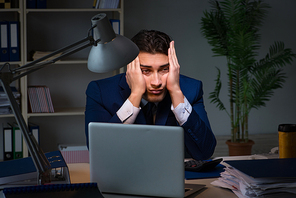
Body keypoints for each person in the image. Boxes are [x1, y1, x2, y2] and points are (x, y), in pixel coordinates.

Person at [85, 30, 216, 160]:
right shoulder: (100, 91)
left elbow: (205, 152)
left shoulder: (191, 89)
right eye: (145, 71)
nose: (156, 82)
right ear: (131, 69)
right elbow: (100, 153)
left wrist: (176, 91)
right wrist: (135, 95)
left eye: (164, 69)